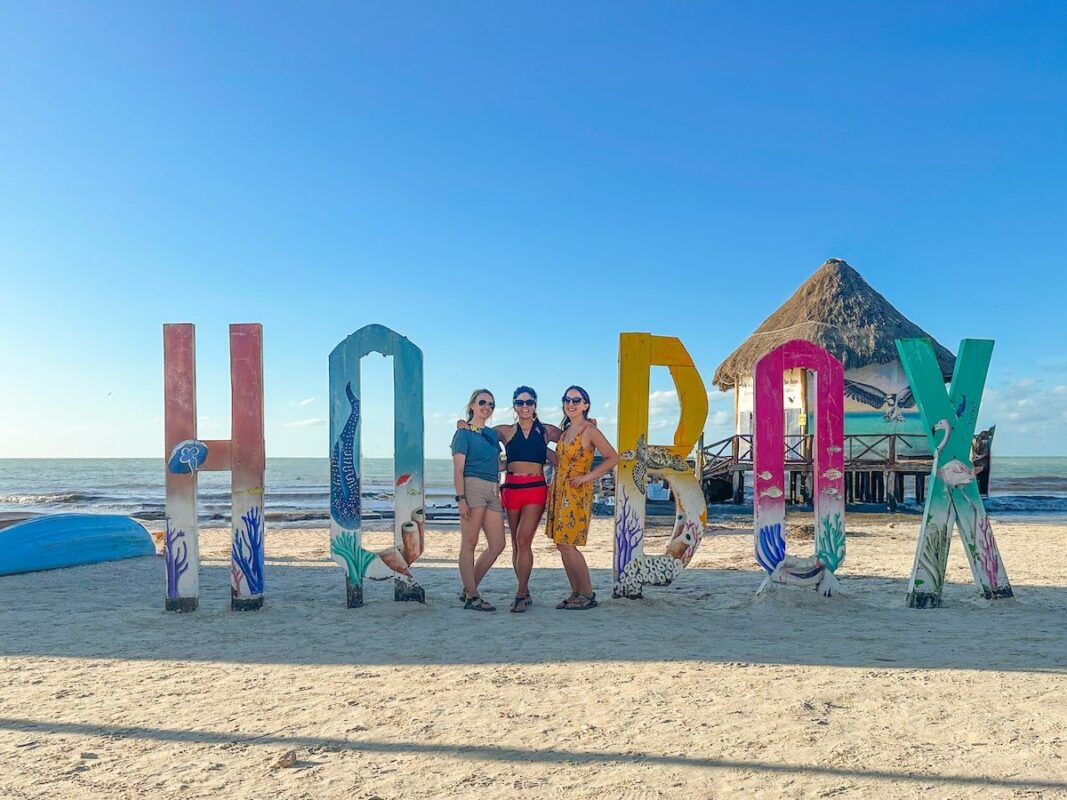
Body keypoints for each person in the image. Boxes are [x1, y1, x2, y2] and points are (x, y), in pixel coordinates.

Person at [546, 385, 618, 610]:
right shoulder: (566, 431)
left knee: (569, 544)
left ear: (585, 405)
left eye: (576, 400)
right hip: (559, 489)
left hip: (577, 492)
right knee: (561, 544)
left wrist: (588, 477)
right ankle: (575, 591)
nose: (571, 404)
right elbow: (560, 462)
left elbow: (612, 457)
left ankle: (588, 594)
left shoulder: (589, 430)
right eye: (567, 399)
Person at [451, 389, 506, 611]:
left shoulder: (491, 435)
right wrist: (461, 498)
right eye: (482, 402)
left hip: (493, 489)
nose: (487, 407)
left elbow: (495, 464)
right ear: (472, 405)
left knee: (498, 544)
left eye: (491, 404)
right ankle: (472, 596)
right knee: (470, 542)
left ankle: (468, 588)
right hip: (472, 487)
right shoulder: (462, 434)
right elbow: (458, 469)